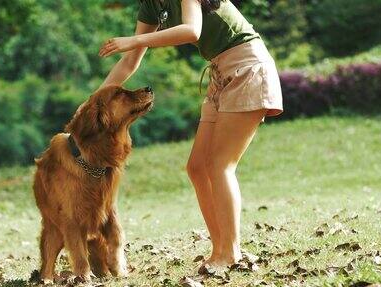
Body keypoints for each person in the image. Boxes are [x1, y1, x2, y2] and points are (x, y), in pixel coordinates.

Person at [98, 0, 283, 269]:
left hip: (247, 66)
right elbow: (129, 62)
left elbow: (191, 30)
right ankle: (220, 249)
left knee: (220, 165)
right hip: (221, 73)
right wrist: (95, 102)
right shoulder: (151, 5)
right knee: (197, 167)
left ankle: (230, 253)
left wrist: (133, 39)